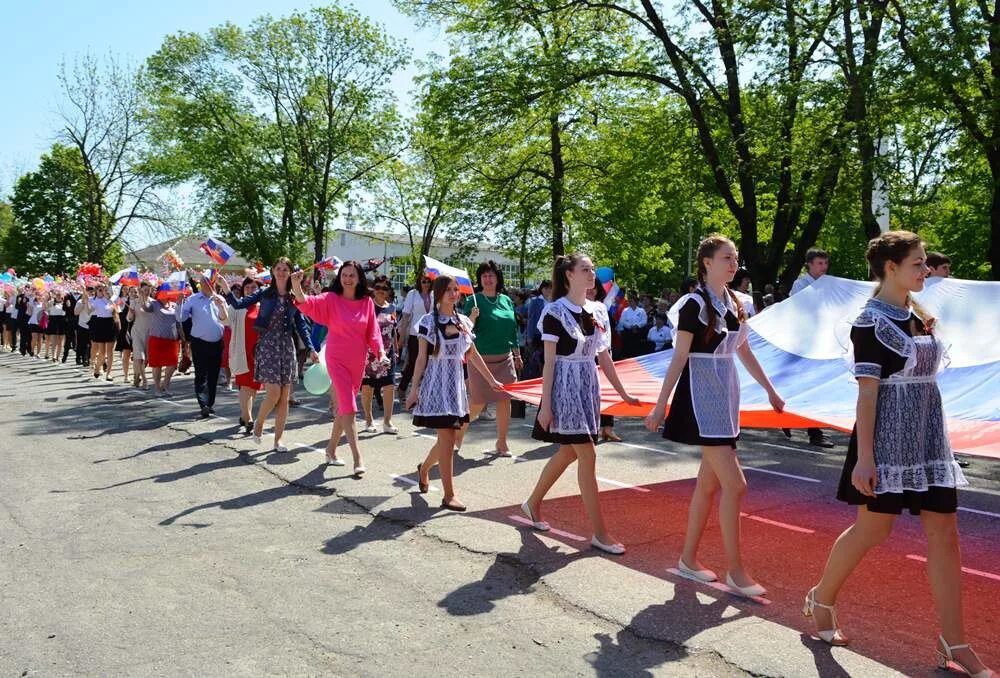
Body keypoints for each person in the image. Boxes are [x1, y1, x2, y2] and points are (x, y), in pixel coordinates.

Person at [804, 232, 991, 678]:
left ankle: (955, 639)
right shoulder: (869, 323)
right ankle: (821, 597)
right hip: (886, 441)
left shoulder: (921, 316)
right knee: (872, 529)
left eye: (925, 263)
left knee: (945, 532)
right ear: (890, 267)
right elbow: (867, 396)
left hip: (928, 438)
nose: (926, 271)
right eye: (917, 264)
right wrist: (864, 459)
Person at [644, 235, 785, 596]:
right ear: (706, 262)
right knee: (736, 485)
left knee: (708, 486)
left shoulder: (737, 303)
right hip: (700, 398)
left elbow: (745, 351)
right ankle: (736, 571)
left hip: (726, 397)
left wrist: (770, 390)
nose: (734, 263)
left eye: (735, 257)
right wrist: (662, 404)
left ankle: (688, 560)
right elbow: (678, 358)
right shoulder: (693, 305)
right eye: (726, 257)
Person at [522, 254, 639, 554]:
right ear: (569, 275)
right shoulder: (553, 312)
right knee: (586, 456)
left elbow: (604, 358)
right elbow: (549, 363)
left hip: (589, 388)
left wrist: (623, 394)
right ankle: (600, 532)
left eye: (591, 269)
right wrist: (545, 407)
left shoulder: (598, 311)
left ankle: (532, 503)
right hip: (565, 389)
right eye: (585, 269)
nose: (591, 274)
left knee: (568, 453)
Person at [407, 275, 504, 511]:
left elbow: (472, 354)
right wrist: (413, 389)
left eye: (455, 289)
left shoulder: (464, 322)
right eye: (448, 289)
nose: (453, 293)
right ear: (438, 293)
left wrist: (491, 380)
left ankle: (425, 468)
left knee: (446, 440)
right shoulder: (427, 322)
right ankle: (449, 495)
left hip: (456, 385)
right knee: (448, 439)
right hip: (436, 384)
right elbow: (420, 358)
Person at [291, 261, 386, 476]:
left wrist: (381, 353)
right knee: (350, 408)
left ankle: (330, 450)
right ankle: (357, 457)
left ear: (359, 278)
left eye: (352, 275)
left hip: (357, 362)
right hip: (336, 359)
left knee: (344, 408)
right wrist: (297, 285)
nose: (348, 278)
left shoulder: (366, 302)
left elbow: (373, 333)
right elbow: (307, 303)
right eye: (344, 275)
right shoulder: (331, 299)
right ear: (339, 277)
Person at [220, 259, 315, 452]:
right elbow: (238, 305)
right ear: (273, 271)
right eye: (278, 268)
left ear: (290, 273)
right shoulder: (264, 293)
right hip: (268, 346)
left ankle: (278, 440)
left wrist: (312, 348)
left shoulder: (293, 297)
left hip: (287, 347)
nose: (281, 272)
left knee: (284, 397)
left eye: (285, 269)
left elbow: (301, 325)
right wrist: (226, 289)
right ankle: (259, 423)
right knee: (273, 393)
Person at [461, 261, 521, 456]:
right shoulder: (473, 301)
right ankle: (456, 436)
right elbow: (465, 332)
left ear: (497, 278)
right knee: (477, 403)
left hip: (505, 358)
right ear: (479, 279)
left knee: (505, 401)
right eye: (484, 276)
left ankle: (502, 444)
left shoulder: (506, 300)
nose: (488, 279)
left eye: (491, 275)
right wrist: (472, 317)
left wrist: (517, 353)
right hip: (480, 360)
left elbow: (513, 329)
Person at [789, 248, 834, 448]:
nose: (823, 268)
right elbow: (799, 310)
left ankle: (811, 428)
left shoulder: (830, 285)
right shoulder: (800, 285)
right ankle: (813, 432)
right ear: (809, 264)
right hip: (804, 343)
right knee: (805, 385)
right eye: (819, 264)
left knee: (817, 386)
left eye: (825, 264)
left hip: (822, 341)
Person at [177, 273, 229, 418]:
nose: (207, 285)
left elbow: (225, 319)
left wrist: (221, 306)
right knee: (201, 373)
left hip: (217, 342)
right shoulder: (193, 299)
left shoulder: (220, 299)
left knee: (214, 374)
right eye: (204, 282)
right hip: (199, 341)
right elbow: (181, 317)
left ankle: (210, 403)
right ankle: (203, 403)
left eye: (209, 282)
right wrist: (179, 304)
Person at [360, 275, 399, 434]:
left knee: (389, 386)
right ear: (373, 289)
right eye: (378, 287)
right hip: (369, 355)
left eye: (384, 288)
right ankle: (369, 420)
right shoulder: (367, 306)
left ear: (389, 290)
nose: (381, 291)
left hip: (388, 354)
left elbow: (393, 330)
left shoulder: (392, 308)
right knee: (368, 387)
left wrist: (396, 349)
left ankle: (387, 422)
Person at [587, 275, 623, 443]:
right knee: (591, 395)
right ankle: (589, 429)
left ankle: (607, 428)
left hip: (604, 355)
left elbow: (607, 332)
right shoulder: (576, 307)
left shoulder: (601, 308)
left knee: (608, 391)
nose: (591, 289)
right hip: (586, 359)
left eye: (594, 286)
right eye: (589, 286)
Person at [225, 277, 261, 434]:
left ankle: (243, 415)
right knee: (245, 385)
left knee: (253, 387)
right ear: (243, 290)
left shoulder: (262, 307)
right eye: (248, 288)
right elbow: (225, 320)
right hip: (242, 350)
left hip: (258, 353)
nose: (251, 290)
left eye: (254, 288)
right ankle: (249, 418)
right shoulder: (237, 307)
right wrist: (221, 307)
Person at [396, 272, 433, 403]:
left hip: (431, 335)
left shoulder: (434, 294)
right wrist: (401, 336)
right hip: (415, 334)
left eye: (429, 281)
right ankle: (402, 388)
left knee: (429, 364)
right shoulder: (413, 294)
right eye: (424, 281)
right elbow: (405, 316)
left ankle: (425, 393)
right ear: (419, 282)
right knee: (413, 363)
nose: (426, 284)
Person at [147, 295, 181, 396]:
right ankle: (157, 388)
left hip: (172, 340)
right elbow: (145, 308)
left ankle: (165, 385)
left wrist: (183, 337)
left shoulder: (174, 305)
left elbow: (178, 321)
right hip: (157, 339)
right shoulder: (154, 304)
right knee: (157, 365)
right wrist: (144, 296)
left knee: (172, 364)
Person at [85, 283, 119, 380]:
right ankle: (97, 367)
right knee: (102, 352)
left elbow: (117, 311)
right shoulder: (96, 301)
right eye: (100, 290)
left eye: (104, 290)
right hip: (100, 324)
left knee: (110, 352)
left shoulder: (111, 300)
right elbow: (88, 312)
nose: (103, 292)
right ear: (96, 291)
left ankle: (109, 373)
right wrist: (87, 302)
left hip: (111, 324)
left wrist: (114, 306)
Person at [523, 279, 553, 380]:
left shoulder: (555, 301)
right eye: (546, 288)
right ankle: (540, 378)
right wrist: (529, 337)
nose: (548, 290)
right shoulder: (535, 301)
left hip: (552, 335)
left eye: (550, 288)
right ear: (542, 289)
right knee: (539, 359)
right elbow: (531, 319)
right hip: (538, 335)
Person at [127, 282, 154, 389]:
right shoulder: (134, 301)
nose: (147, 292)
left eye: (149, 290)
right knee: (139, 357)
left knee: (146, 359)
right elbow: (129, 318)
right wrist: (131, 311)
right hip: (137, 331)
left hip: (149, 333)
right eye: (145, 290)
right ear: (140, 290)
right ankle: (145, 381)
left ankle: (137, 374)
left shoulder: (153, 303)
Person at [116, 288, 135, 383]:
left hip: (138, 330)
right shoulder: (124, 302)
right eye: (131, 291)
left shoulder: (140, 303)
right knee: (126, 354)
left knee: (138, 355)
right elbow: (122, 315)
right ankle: (126, 376)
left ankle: (137, 374)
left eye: (135, 292)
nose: (133, 293)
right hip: (126, 329)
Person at [44, 289, 68, 362]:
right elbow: (45, 307)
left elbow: (68, 310)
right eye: (57, 295)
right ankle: (53, 356)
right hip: (53, 321)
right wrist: (45, 299)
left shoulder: (65, 303)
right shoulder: (51, 302)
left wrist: (67, 304)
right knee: (53, 340)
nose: (58, 296)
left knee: (60, 341)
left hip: (62, 321)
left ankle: (58, 356)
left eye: (60, 295)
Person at [73, 285, 93, 367]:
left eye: (92, 292)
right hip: (82, 324)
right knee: (81, 343)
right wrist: (83, 303)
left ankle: (87, 359)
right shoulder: (80, 301)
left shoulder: (94, 301)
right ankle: (78, 358)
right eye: (89, 292)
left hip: (92, 325)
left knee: (90, 344)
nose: (91, 293)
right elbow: (76, 312)